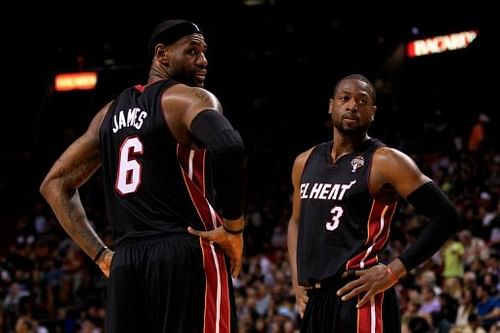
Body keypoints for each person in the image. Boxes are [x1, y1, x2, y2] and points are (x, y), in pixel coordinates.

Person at [40, 19, 247, 333]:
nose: (203, 60)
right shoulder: (188, 99)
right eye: (192, 51)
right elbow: (230, 147)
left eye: (204, 52)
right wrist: (234, 229)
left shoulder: (107, 115)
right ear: (162, 54)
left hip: (126, 262)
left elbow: (54, 183)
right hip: (186, 249)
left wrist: (100, 255)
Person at [287, 74, 460, 332]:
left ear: (373, 112)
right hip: (315, 299)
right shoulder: (305, 161)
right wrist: (296, 279)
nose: (352, 105)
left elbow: (446, 216)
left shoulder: (386, 161)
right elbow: (297, 221)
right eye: (345, 98)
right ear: (331, 105)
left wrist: (393, 272)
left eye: (362, 100)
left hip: (361, 293)